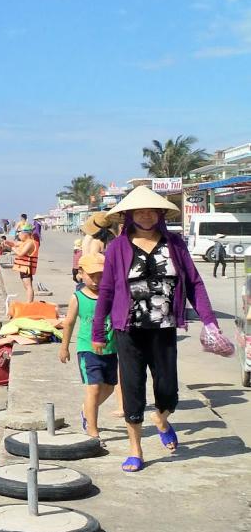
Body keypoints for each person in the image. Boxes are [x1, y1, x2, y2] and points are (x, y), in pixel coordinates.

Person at [93, 185, 220, 472]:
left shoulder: (175, 244)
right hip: (129, 330)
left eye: (152, 210)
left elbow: (195, 283)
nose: (147, 216)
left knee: (168, 388)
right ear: (129, 214)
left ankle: (161, 419)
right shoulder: (117, 247)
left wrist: (209, 320)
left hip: (164, 328)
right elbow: (107, 290)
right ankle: (135, 449)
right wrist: (98, 331)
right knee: (133, 387)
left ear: (161, 213)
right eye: (140, 211)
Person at [59, 252, 116, 442]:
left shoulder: (111, 295)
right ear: (81, 273)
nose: (98, 280)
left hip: (110, 348)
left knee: (109, 387)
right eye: (93, 276)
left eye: (102, 275)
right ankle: (93, 429)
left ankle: (87, 410)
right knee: (94, 389)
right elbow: (69, 323)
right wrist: (64, 347)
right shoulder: (78, 297)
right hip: (87, 349)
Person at [13, 227, 40, 303]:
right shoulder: (26, 242)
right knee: (26, 286)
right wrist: (7, 243)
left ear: (26, 234)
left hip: (26, 267)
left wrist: (13, 249)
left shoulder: (30, 243)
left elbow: (21, 254)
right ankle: (29, 302)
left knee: (28, 286)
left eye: (20, 233)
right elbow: (15, 243)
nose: (19, 235)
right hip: (23, 267)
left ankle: (29, 303)